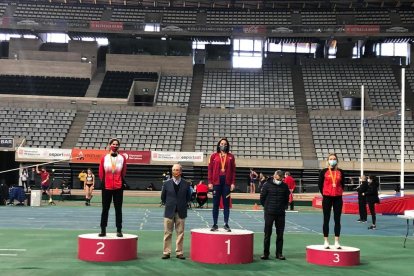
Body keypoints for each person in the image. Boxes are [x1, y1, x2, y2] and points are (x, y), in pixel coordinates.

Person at [160, 164, 191, 260]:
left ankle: (179, 252)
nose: (175, 172)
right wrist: (170, 204)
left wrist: (181, 204)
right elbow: (163, 197)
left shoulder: (186, 184)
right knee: (167, 233)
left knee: (180, 233)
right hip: (169, 211)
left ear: (181, 172)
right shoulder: (166, 183)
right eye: (173, 170)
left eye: (177, 170)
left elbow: (188, 197)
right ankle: (166, 252)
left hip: (181, 212)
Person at [99, 138, 127, 238]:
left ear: (118, 146)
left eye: (117, 144)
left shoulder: (122, 158)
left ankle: (119, 230)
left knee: (118, 209)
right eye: (113, 144)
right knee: (105, 209)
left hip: (118, 186)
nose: (115, 146)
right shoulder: (104, 158)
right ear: (110, 145)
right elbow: (101, 173)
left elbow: (123, 172)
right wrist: (104, 182)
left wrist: (120, 181)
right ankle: (103, 229)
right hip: (106, 186)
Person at [260, 170, 290, 260]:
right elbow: (262, 198)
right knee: (267, 234)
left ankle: (279, 253)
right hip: (269, 213)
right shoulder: (266, 185)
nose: (279, 179)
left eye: (281, 177)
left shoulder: (285, 186)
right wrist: (266, 207)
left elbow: (286, 198)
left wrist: (284, 207)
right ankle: (266, 253)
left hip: (280, 214)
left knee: (280, 234)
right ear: (274, 176)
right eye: (278, 177)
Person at [208, 137, 236, 232]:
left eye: (225, 144)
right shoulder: (214, 156)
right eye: (221, 143)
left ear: (227, 145)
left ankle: (226, 224)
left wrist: (232, 183)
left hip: (226, 183)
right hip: (216, 182)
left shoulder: (231, 156)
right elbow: (210, 169)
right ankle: (215, 224)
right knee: (215, 204)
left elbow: (233, 171)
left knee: (226, 204)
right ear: (219, 145)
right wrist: (210, 182)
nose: (223, 145)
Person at [318, 153, 345, 249]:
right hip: (327, 197)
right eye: (330, 159)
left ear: (337, 160)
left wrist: (338, 192)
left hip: (338, 198)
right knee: (326, 219)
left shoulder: (341, 172)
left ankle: (337, 241)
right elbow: (320, 185)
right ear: (328, 160)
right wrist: (325, 193)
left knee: (337, 220)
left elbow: (343, 184)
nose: (332, 160)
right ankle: (326, 241)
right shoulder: (324, 171)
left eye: (334, 159)